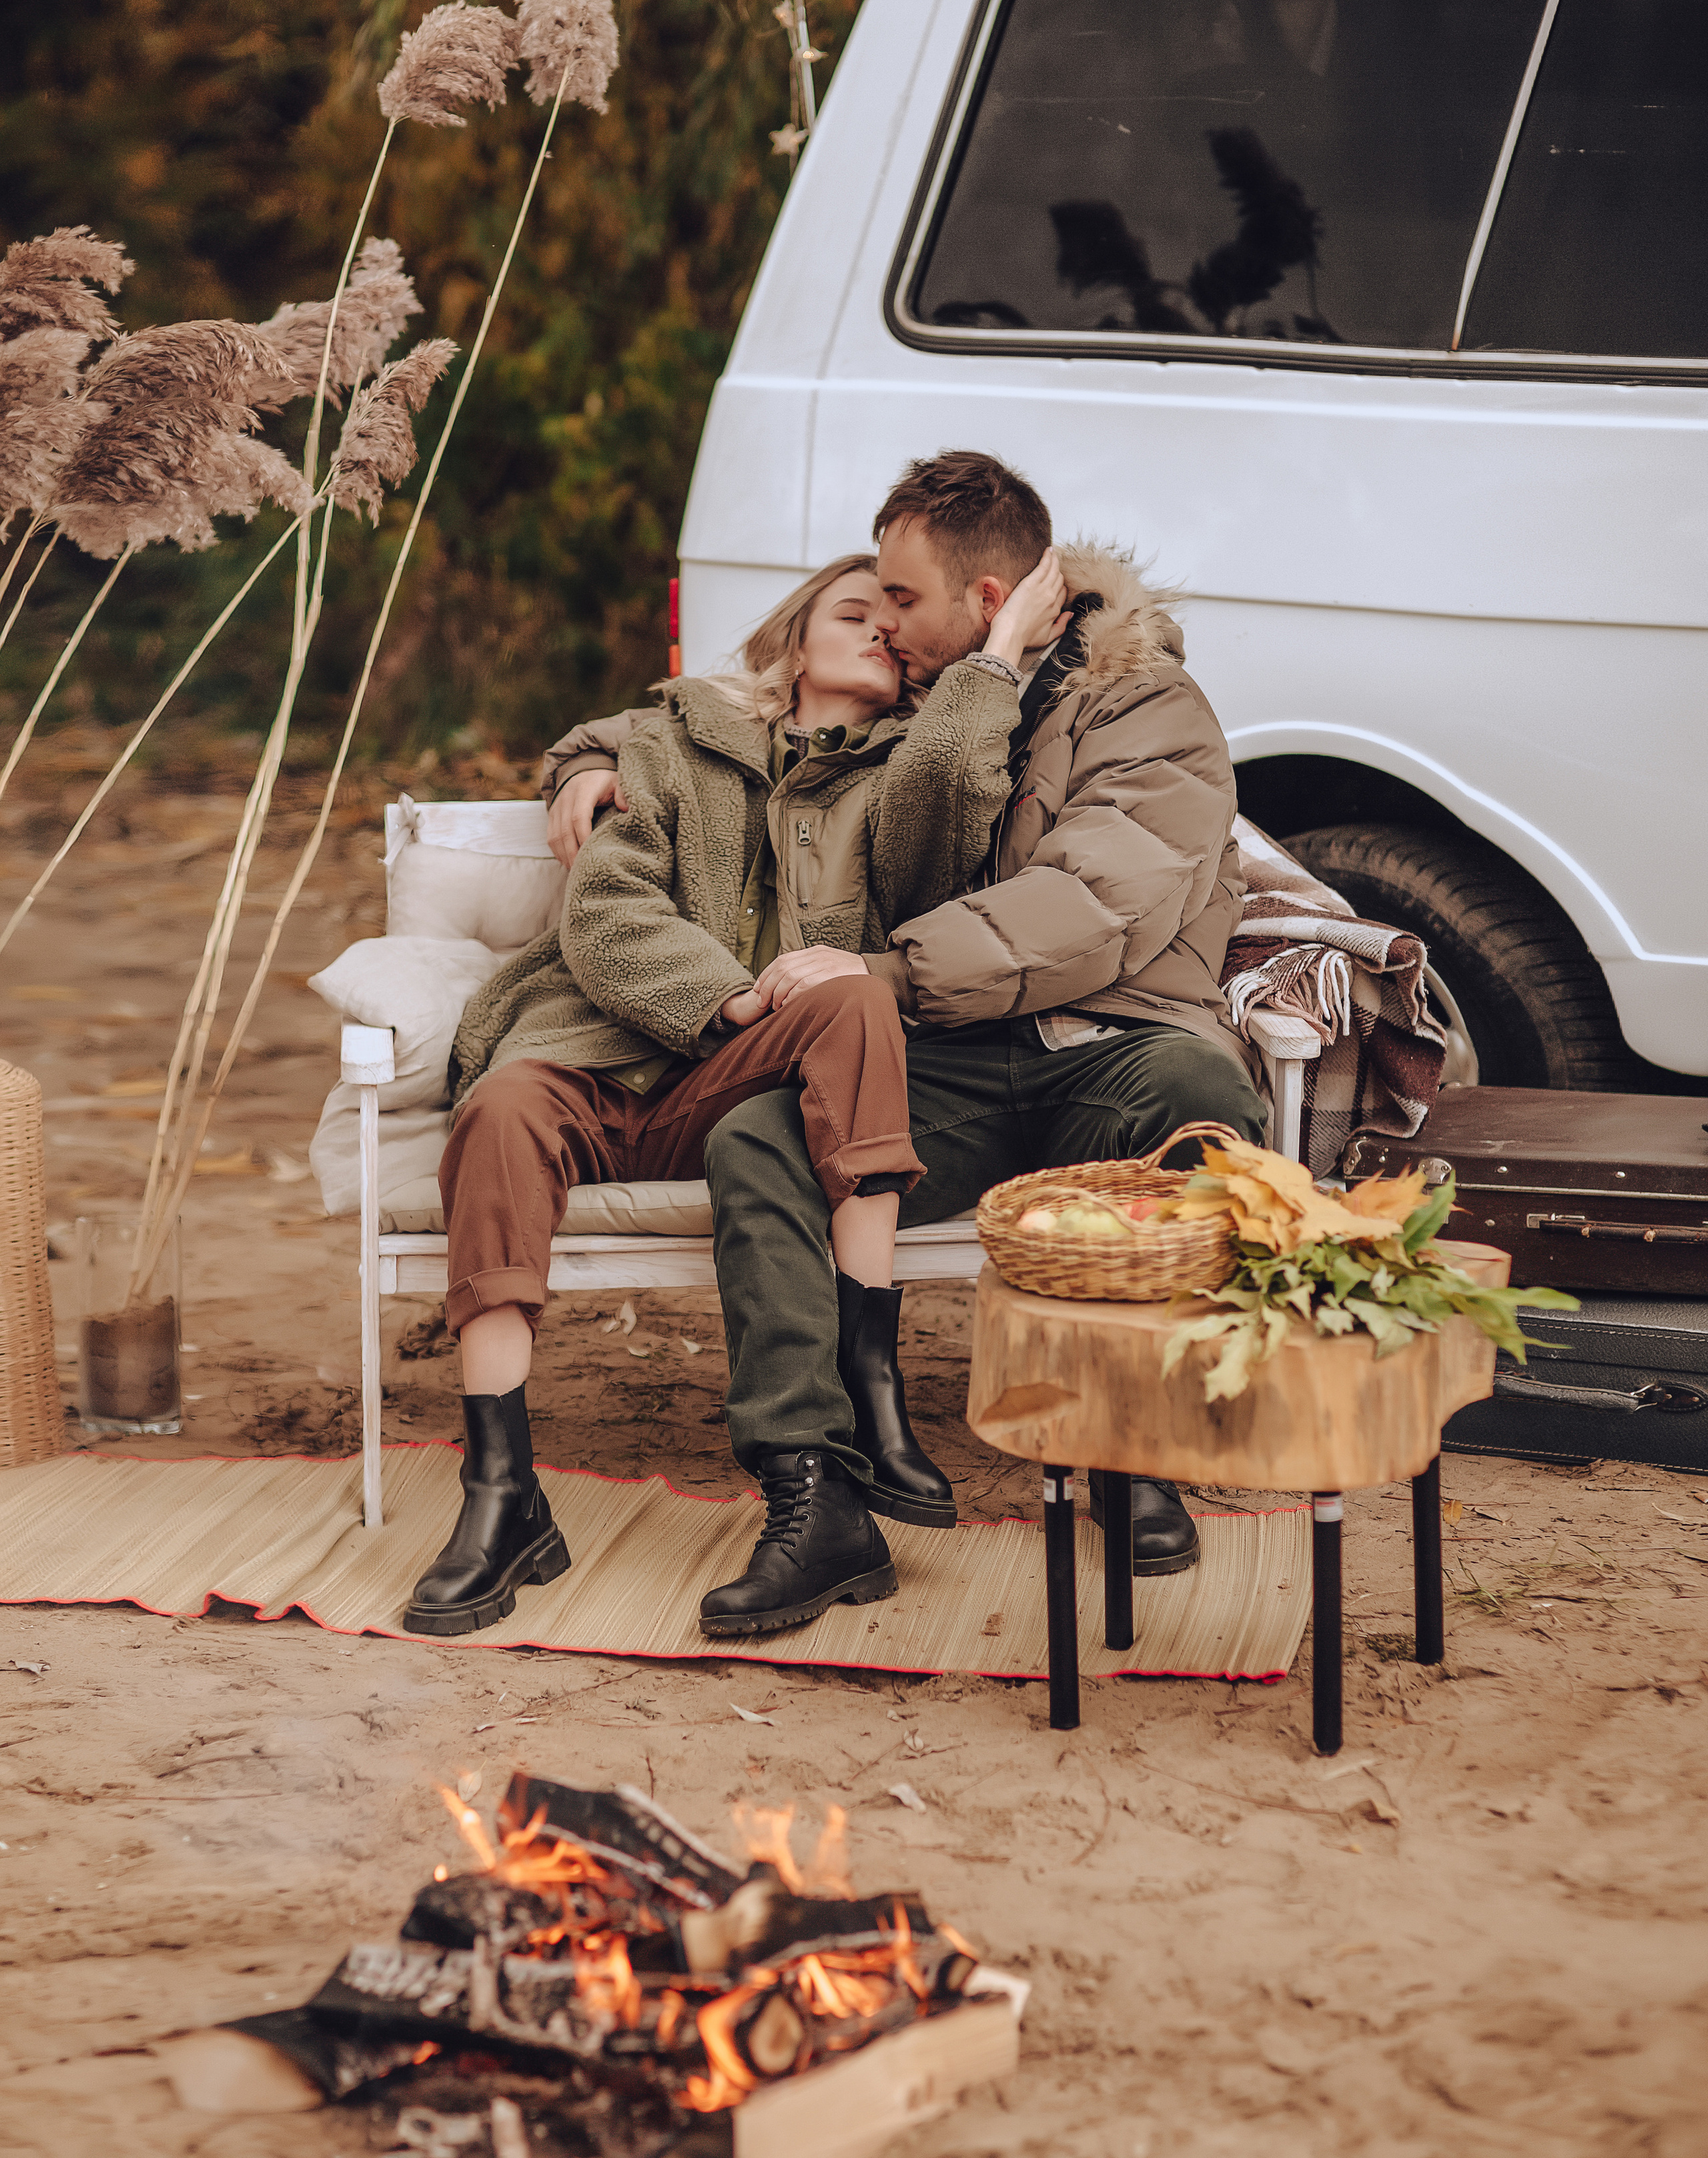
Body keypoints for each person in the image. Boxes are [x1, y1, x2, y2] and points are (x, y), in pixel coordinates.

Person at [552, 452, 1268, 1632]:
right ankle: (815, 1492)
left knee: (1198, 1096)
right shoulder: (937, 698)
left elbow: (1096, 909)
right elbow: (739, 713)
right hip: (962, 1056)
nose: (882, 619)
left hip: (1115, 1044)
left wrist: (882, 972)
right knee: (762, 1139)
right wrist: (587, 761)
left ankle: (1135, 1449)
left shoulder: (1148, 709)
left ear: (987, 603)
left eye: (900, 596)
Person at [407, 549, 1070, 1638]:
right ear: (793, 637)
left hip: (765, 1089)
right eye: (850, 613)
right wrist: (726, 1000)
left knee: (854, 995)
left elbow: (956, 781)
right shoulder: (673, 746)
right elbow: (609, 908)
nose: (877, 632)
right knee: (502, 1108)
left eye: (892, 624)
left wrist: (990, 658)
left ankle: (869, 1384)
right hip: (616, 1057)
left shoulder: (910, 770)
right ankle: (501, 1492)